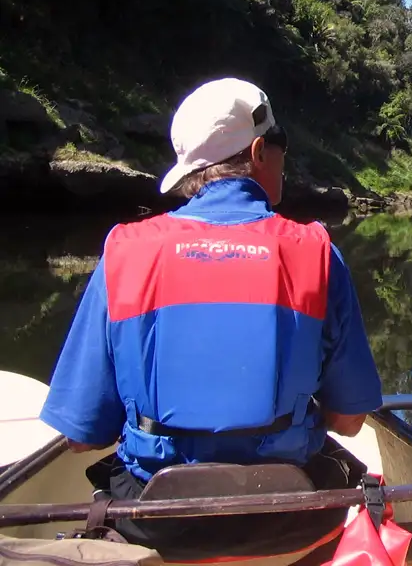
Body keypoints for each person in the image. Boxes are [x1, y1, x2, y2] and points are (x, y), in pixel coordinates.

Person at [39, 77, 383, 556]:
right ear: (260, 151)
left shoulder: (123, 254)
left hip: (157, 522)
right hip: (289, 519)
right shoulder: (318, 254)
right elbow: (349, 421)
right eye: (280, 144)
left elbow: (81, 435)